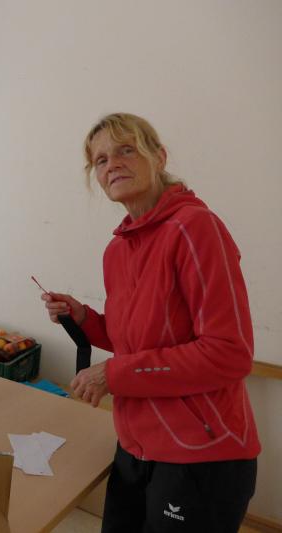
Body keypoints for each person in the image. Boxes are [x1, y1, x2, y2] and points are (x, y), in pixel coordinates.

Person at [41, 113, 260, 532]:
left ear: (159, 157)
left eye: (126, 150)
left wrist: (113, 374)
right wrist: (84, 318)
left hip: (200, 455)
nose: (112, 164)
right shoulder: (117, 250)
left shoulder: (196, 228)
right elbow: (136, 341)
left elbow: (229, 354)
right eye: (101, 160)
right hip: (135, 444)